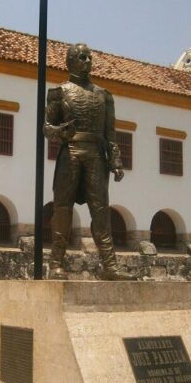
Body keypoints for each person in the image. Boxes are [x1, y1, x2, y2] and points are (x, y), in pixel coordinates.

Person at [43, 43, 136, 281]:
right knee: (62, 209)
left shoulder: (104, 96)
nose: (87, 61)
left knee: (101, 211)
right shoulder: (58, 92)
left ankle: (110, 266)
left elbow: (111, 134)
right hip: (71, 152)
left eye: (89, 57)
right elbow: (47, 128)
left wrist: (115, 161)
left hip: (96, 154)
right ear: (70, 62)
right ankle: (55, 264)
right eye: (82, 57)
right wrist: (61, 131)